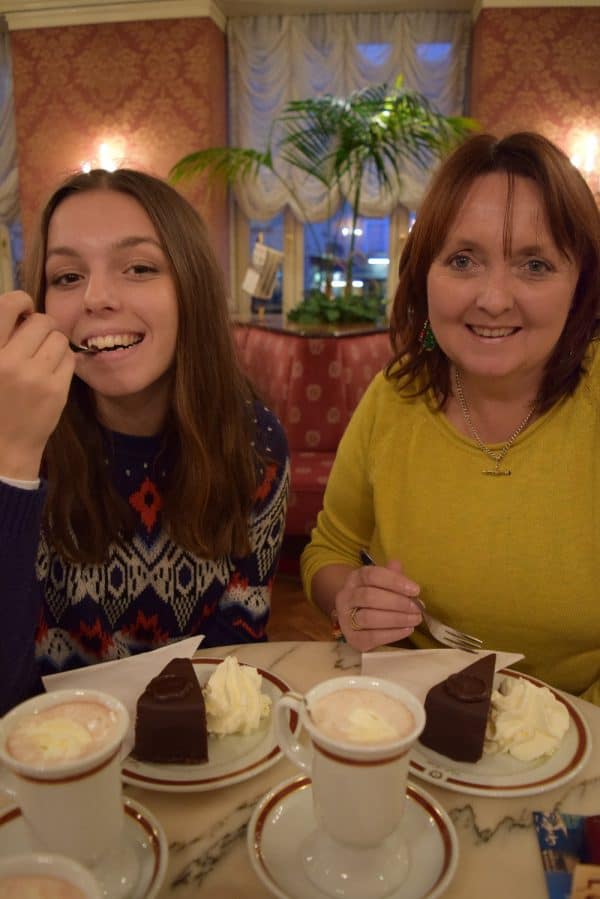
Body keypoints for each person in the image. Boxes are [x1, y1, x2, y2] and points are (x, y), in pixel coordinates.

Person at [301, 131, 600, 706]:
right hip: (414, 715)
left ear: (580, 284)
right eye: (463, 260)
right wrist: (349, 597)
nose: (492, 298)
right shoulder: (394, 395)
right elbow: (328, 550)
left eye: (534, 264)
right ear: (424, 275)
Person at [0, 168, 289, 715]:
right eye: (65, 277)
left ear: (190, 289)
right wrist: (13, 463)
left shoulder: (255, 443)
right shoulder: (11, 434)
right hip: (47, 755)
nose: (96, 297)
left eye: (139, 268)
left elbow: (234, 657)